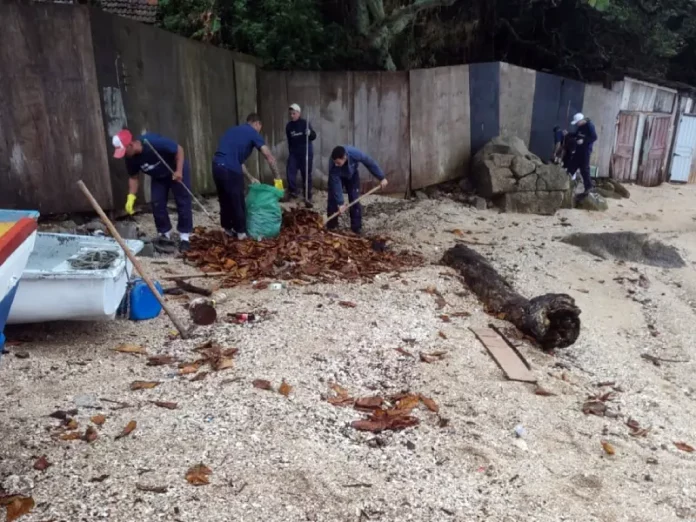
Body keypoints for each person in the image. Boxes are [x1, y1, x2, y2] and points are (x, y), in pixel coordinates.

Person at [112, 129, 193, 252]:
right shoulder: (130, 158)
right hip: (158, 176)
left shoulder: (153, 143)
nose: (123, 154)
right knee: (157, 202)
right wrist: (131, 197)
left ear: (130, 145)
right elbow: (134, 177)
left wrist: (179, 171)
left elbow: (179, 149)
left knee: (182, 200)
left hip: (174, 169)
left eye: (123, 150)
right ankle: (165, 234)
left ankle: (184, 237)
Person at [212, 113, 280, 239]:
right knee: (238, 200)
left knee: (225, 199)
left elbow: (238, 161)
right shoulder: (253, 133)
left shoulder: (232, 131)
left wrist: (250, 177)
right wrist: (278, 179)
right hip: (230, 169)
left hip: (217, 166)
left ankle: (227, 230)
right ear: (257, 124)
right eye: (260, 127)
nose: (259, 130)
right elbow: (268, 156)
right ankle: (241, 233)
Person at [326, 146, 388, 235]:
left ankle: (356, 228)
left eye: (338, 163)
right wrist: (340, 203)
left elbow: (369, 162)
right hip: (338, 176)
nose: (336, 164)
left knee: (354, 199)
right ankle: (331, 225)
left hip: (352, 176)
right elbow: (336, 183)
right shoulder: (333, 163)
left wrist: (381, 177)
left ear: (344, 157)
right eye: (335, 162)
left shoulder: (354, 153)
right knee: (333, 199)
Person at [285, 103, 317, 207]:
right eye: (291, 114)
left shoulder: (304, 123)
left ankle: (307, 196)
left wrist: (309, 133)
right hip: (294, 153)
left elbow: (314, 136)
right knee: (290, 170)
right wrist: (291, 152)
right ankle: (293, 191)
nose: (292, 115)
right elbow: (289, 141)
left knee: (306, 174)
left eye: (294, 113)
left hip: (306, 152)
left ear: (299, 113)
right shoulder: (289, 126)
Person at [570, 112, 597, 197]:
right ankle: (568, 185)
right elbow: (577, 134)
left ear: (581, 120)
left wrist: (583, 141)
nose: (577, 124)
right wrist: (568, 134)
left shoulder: (590, 126)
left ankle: (588, 187)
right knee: (572, 166)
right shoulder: (580, 127)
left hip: (585, 151)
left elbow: (594, 137)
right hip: (578, 150)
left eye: (577, 122)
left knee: (584, 169)